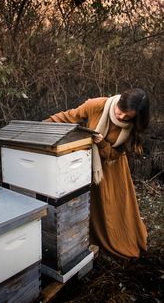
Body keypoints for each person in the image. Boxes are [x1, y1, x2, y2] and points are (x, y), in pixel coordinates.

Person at [44, 88, 150, 258]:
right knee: (88, 205)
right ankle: (89, 238)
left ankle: (116, 238)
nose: (122, 117)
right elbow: (68, 116)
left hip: (113, 169)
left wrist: (102, 144)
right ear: (118, 102)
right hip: (88, 164)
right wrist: (41, 127)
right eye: (120, 112)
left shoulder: (132, 127)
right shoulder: (96, 105)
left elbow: (116, 154)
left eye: (128, 117)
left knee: (112, 208)